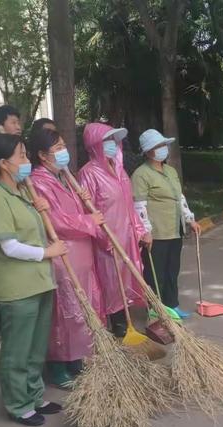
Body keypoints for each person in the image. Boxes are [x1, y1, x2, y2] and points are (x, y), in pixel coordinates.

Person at [0, 134, 67, 426]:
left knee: (37, 346)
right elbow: (9, 246)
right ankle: (17, 403)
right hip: (17, 288)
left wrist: (40, 210)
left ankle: (35, 396)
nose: (26, 162)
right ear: (3, 163)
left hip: (40, 281)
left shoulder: (23, 190)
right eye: (21, 156)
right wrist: (47, 252)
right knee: (17, 350)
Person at [29, 127, 106, 388]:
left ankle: (77, 358)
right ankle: (58, 365)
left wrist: (85, 202)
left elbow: (71, 210)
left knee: (83, 307)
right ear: (42, 155)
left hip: (81, 251)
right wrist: (88, 220)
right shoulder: (38, 182)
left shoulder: (64, 176)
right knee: (64, 311)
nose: (63, 152)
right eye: (57, 148)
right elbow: (54, 221)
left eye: (63, 146)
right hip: (63, 254)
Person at [79, 123, 151, 337]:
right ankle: (118, 324)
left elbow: (129, 204)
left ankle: (128, 320)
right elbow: (87, 211)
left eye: (114, 141)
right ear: (95, 145)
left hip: (128, 236)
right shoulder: (88, 174)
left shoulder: (119, 170)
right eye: (106, 141)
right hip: (108, 242)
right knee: (112, 282)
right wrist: (104, 239)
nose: (112, 145)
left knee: (128, 278)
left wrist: (140, 230)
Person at [132, 129, 201, 319]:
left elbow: (180, 198)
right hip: (156, 234)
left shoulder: (170, 171)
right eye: (158, 146)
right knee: (156, 275)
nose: (163, 149)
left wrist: (190, 219)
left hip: (174, 230)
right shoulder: (141, 174)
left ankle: (172, 305)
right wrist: (145, 232)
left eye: (163, 145)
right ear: (148, 151)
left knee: (172, 271)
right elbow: (139, 207)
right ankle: (155, 311)